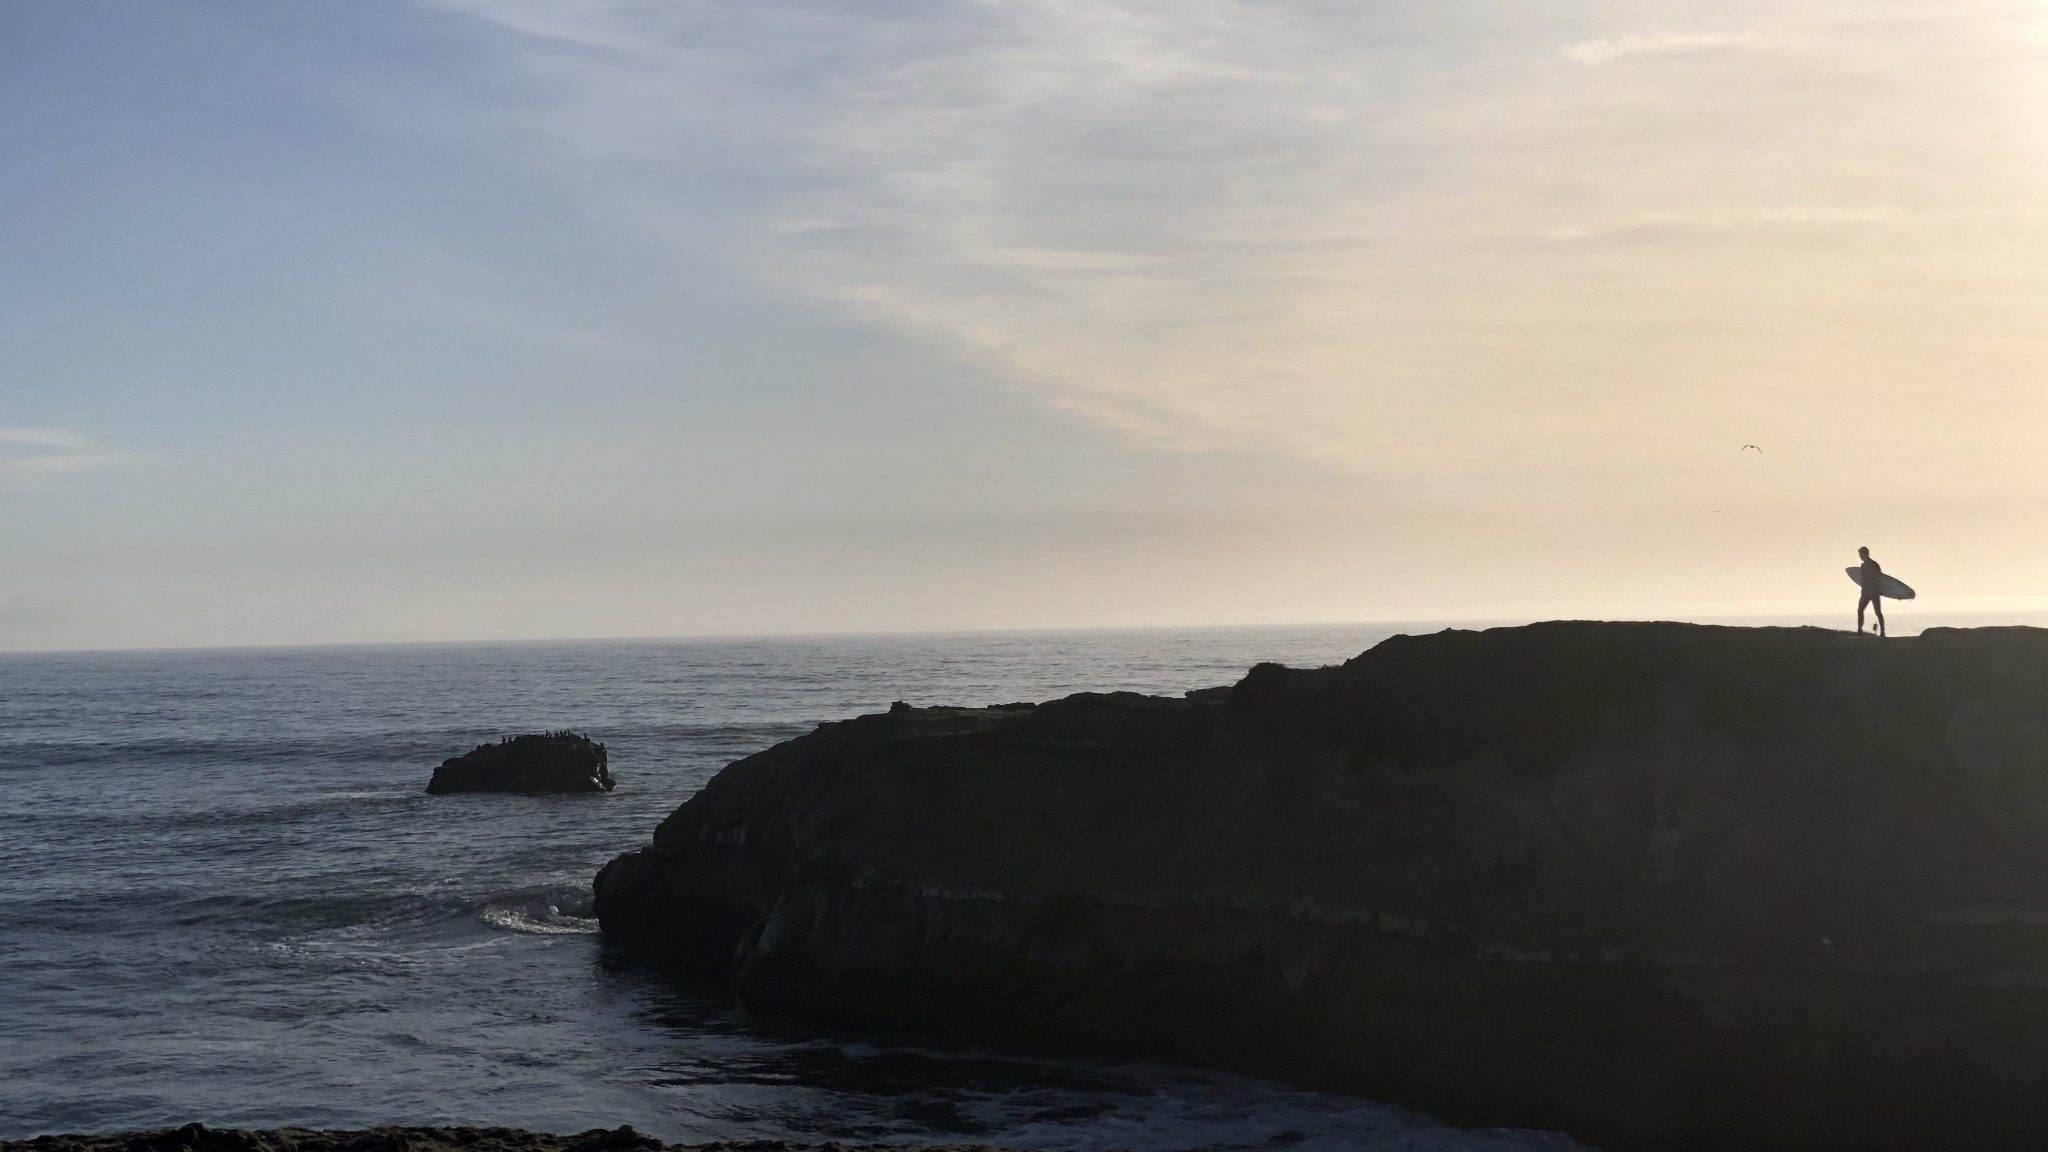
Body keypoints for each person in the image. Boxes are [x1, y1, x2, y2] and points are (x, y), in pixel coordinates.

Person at [1856, 546, 1886, 637]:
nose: (1859, 556)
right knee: (1865, 611)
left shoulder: (1868, 565)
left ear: (1864, 554)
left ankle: (1861, 630)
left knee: (1872, 611)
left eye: (1860, 554)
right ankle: (1881, 632)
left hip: (1870, 592)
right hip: (1869, 592)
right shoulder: (1872, 564)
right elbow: (1876, 578)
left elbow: (1875, 578)